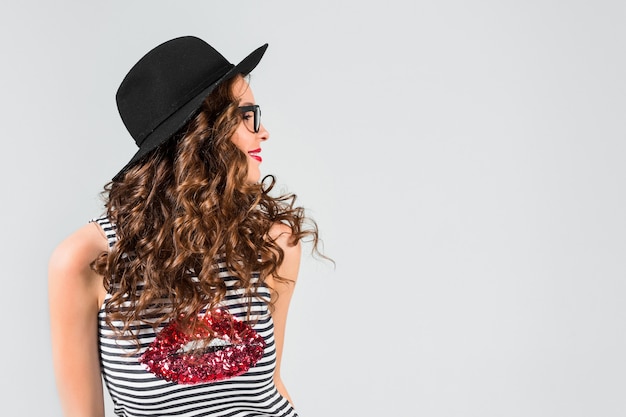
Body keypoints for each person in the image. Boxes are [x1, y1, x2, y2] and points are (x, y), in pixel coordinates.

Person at [48, 35, 324, 417]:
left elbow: (270, 387)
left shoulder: (273, 243)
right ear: (200, 136)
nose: (264, 132)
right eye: (247, 116)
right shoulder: (86, 259)